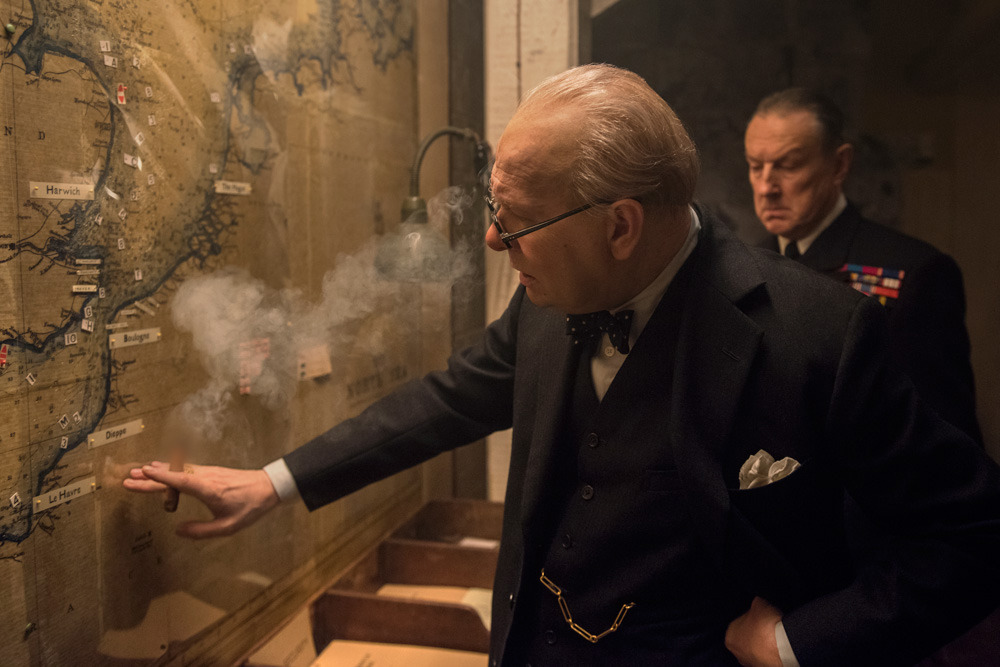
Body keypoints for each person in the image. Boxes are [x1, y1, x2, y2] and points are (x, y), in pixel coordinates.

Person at [125, 65, 1000, 666]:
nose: (492, 240)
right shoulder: (548, 299)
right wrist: (273, 481)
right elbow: (445, 400)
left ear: (620, 226)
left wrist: (798, 643)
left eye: (515, 221)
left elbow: (972, 538)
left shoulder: (820, 335)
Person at [744, 88, 982, 444]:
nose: (766, 187)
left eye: (788, 165)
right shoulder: (745, 264)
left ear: (839, 165)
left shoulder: (915, 272)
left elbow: (947, 434)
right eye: (755, 166)